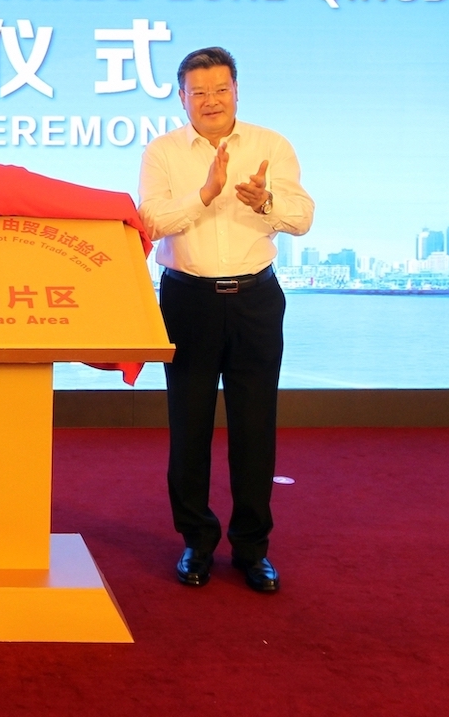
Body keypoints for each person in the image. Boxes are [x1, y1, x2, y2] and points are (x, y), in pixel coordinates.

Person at [138, 47, 313, 593]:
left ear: (237, 90)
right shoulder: (163, 151)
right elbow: (150, 221)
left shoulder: (270, 145)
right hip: (187, 300)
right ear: (181, 97)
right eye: (199, 92)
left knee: (254, 427)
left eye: (220, 89)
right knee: (189, 426)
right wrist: (206, 195)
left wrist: (264, 202)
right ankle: (196, 541)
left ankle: (252, 549)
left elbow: (302, 218)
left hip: (255, 301)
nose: (210, 101)